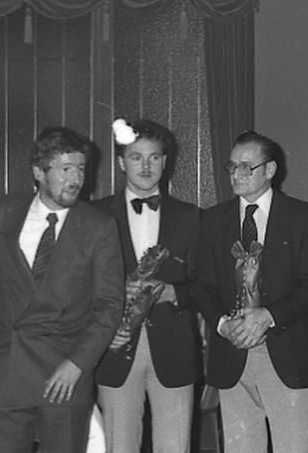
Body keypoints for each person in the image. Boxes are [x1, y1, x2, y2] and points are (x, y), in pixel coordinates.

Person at [0, 127, 124, 453]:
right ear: (39, 172)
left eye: (81, 169)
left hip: (66, 372)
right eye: (66, 169)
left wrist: (77, 364)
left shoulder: (99, 227)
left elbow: (109, 306)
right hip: (8, 368)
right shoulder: (4, 211)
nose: (76, 179)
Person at [196, 130, 308, 453]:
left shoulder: (305, 217)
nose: (237, 174)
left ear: (270, 170)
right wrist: (223, 325)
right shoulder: (212, 220)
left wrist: (267, 316)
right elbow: (201, 285)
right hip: (232, 352)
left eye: (247, 167)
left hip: (287, 349)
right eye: (232, 167)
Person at [93, 119, 202, 453]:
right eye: (136, 157)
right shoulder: (94, 215)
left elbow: (206, 283)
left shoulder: (191, 217)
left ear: (164, 162)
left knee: (175, 447)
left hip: (174, 348)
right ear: (121, 162)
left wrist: (173, 292)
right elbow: (77, 284)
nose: (145, 166)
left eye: (154, 157)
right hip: (114, 346)